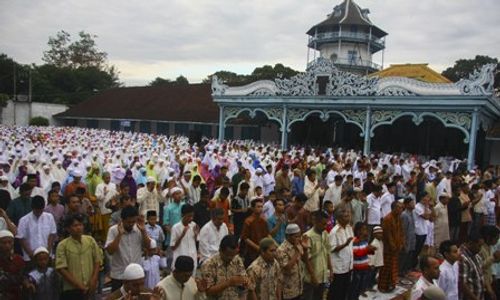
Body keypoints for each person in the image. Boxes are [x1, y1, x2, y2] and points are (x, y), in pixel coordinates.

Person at [55, 214, 101, 299]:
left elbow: (97, 261)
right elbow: (61, 269)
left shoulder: (90, 240)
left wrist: (94, 279)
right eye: (75, 225)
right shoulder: (62, 245)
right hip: (72, 290)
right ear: (68, 229)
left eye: (80, 225)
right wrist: (79, 286)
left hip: (90, 287)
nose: (79, 228)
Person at [105, 206, 151, 291]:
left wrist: (144, 231)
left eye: (133, 221)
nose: (131, 224)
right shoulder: (113, 230)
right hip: (119, 276)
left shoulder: (139, 229)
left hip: (136, 276)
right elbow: (110, 251)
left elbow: (148, 247)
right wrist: (119, 234)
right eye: (128, 222)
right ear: (122, 220)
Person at [201, 235, 251, 300]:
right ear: (220, 250)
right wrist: (228, 283)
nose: (230, 258)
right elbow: (208, 291)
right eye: (227, 255)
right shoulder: (209, 264)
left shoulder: (237, 260)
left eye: (232, 255)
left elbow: (244, 278)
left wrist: (245, 282)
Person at [16, 195, 57, 262]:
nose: (39, 213)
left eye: (41, 210)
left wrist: (48, 251)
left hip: (46, 256)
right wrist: (30, 254)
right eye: (37, 211)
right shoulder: (24, 220)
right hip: (30, 257)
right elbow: (21, 239)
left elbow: (52, 234)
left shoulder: (49, 217)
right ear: (32, 208)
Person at [303, 210, 333, 300]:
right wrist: (313, 276)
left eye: (326, 224)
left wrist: (331, 270)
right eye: (323, 224)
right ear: (315, 222)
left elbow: (328, 252)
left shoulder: (325, 234)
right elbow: (306, 259)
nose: (325, 226)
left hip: (323, 275)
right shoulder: (307, 236)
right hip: (312, 278)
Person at [276, 223, 309, 300]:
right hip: (288, 290)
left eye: (299, 236)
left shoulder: (298, 245)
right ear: (288, 236)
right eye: (296, 236)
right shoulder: (281, 250)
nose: (298, 238)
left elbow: (305, 260)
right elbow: (287, 267)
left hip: (298, 288)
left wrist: (305, 249)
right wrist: (297, 252)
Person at [378, 201, 405, 293]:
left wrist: (401, 243)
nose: (401, 210)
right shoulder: (387, 219)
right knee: (386, 268)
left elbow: (401, 231)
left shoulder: (398, 218)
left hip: (396, 247)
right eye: (399, 208)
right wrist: (393, 246)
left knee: (393, 267)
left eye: (401, 208)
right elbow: (387, 234)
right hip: (388, 248)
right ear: (393, 208)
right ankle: (382, 286)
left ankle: (391, 284)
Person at [328, 206, 354, 300]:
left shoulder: (349, 228)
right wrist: (345, 244)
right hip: (338, 267)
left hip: (348, 265)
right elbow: (332, 249)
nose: (348, 218)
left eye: (348, 216)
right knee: (336, 291)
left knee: (345, 289)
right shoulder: (334, 232)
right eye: (345, 217)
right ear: (339, 218)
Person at [241, 198, 271, 267]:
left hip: (263, 250)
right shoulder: (248, 221)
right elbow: (246, 238)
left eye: (261, 206)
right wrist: (258, 248)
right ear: (253, 208)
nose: (260, 208)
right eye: (258, 206)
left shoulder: (263, 220)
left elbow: (267, 235)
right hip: (251, 252)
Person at [350, 222, 376, 300]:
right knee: (354, 287)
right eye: (363, 229)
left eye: (366, 229)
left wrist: (371, 250)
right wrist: (366, 249)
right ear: (358, 231)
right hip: (356, 269)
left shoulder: (365, 241)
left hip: (364, 268)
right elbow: (357, 253)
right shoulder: (354, 240)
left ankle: (357, 297)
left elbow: (366, 252)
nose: (365, 231)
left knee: (361, 286)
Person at [170, 204, 199, 273]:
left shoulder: (194, 225)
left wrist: (196, 234)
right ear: (183, 215)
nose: (191, 218)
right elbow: (173, 247)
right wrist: (182, 235)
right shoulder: (175, 227)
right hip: (180, 258)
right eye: (189, 216)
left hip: (192, 257)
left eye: (192, 216)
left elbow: (196, 241)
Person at [0, 230, 27, 300]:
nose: (7, 245)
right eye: (4, 243)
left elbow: (23, 278)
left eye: (9, 242)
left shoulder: (19, 260)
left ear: (13, 243)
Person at [459, 233, 485, 300]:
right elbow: (462, 283)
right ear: (471, 243)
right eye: (479, 246)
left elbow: (481, 275)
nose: (480, 249)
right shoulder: (463, 258)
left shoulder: (477, 256)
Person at [400, 197, 416, 275]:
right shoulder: (404, 215)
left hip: (411, 238)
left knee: (409, 256)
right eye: (411, 203)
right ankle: (401, 272)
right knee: (403, 257)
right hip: (406, 240)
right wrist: (404, 241)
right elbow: (403, 230)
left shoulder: (412, 213)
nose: (413, 205)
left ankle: (405, 271)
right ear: (406, 205)